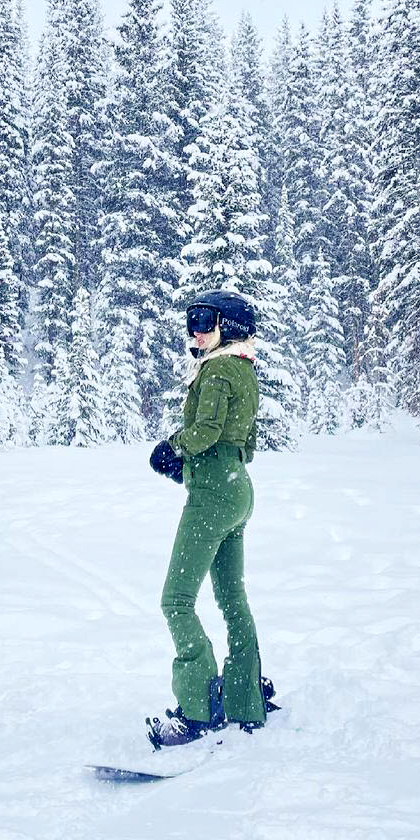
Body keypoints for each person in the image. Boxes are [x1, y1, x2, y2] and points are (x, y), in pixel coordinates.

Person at [146, 290, 268, 747]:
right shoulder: (245, 368)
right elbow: (244, 441)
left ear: (229, 326)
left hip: (213, 498)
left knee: (176, 600)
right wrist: (194, 469)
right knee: (232, 598)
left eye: (204, 321)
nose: (195, 331)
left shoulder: (217, 370)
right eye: (191, 321)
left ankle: (197, 709)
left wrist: (173, 447)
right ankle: (245, 698)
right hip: (238, 489)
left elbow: (207, 430)